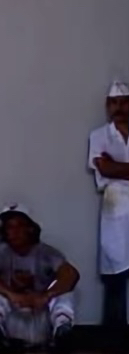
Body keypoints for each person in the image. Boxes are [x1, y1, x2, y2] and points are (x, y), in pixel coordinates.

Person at [0, 203, 78, 350]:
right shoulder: (0, 252)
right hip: (13, 318)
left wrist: (47, 295)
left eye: (20, 226)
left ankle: (63, 333)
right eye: (10, 227)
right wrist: (11, 294)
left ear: (31, 228)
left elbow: (71, 274)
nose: (14, 231)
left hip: (41, 317)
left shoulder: (46, 252)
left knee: (64, 290)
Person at [89, 80, 129, 339]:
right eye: (114, 103)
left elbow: (113, 168)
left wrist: (117, 167)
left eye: (124, 102)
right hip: (115, 210)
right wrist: (111, 167)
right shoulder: (99, 136)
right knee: (116, 275)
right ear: (107, 105)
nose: (119, 108)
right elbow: (105, 168)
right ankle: (114, 338)